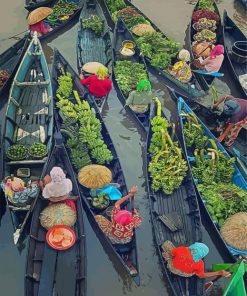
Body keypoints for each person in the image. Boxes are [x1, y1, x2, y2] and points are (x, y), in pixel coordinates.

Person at [161, 241, 231, 279]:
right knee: (195, 272)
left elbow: (172, 253)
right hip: (181, 273)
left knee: (167, 243)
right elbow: (201, 276)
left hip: (172, 265)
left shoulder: (182, 249)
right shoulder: (200, 264)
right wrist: (219, 272)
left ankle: (167, 259)